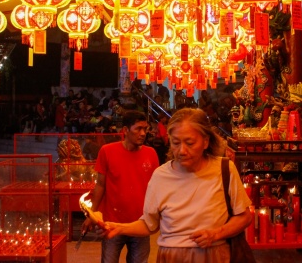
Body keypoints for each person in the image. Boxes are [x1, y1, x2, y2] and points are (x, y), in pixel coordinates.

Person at [103, 108, 253, 262]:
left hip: (214, 255)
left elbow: (244, 216)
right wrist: (120, 228)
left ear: (205, 141)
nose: (181, 150)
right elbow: (149, 224)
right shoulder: (160, 176)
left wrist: (216, 234)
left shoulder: (225, 169)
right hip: (170, 256)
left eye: (190, 143)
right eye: (175, 143)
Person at [82, 110, 160, 263]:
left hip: (141, 224)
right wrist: (92, 215)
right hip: (112, 223)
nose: (143, 133)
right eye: (138, 128)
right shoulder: (107, 151)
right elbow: (100, 185)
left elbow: (156, 188)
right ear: (125, 130)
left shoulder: (151, 153)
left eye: (145, 128)